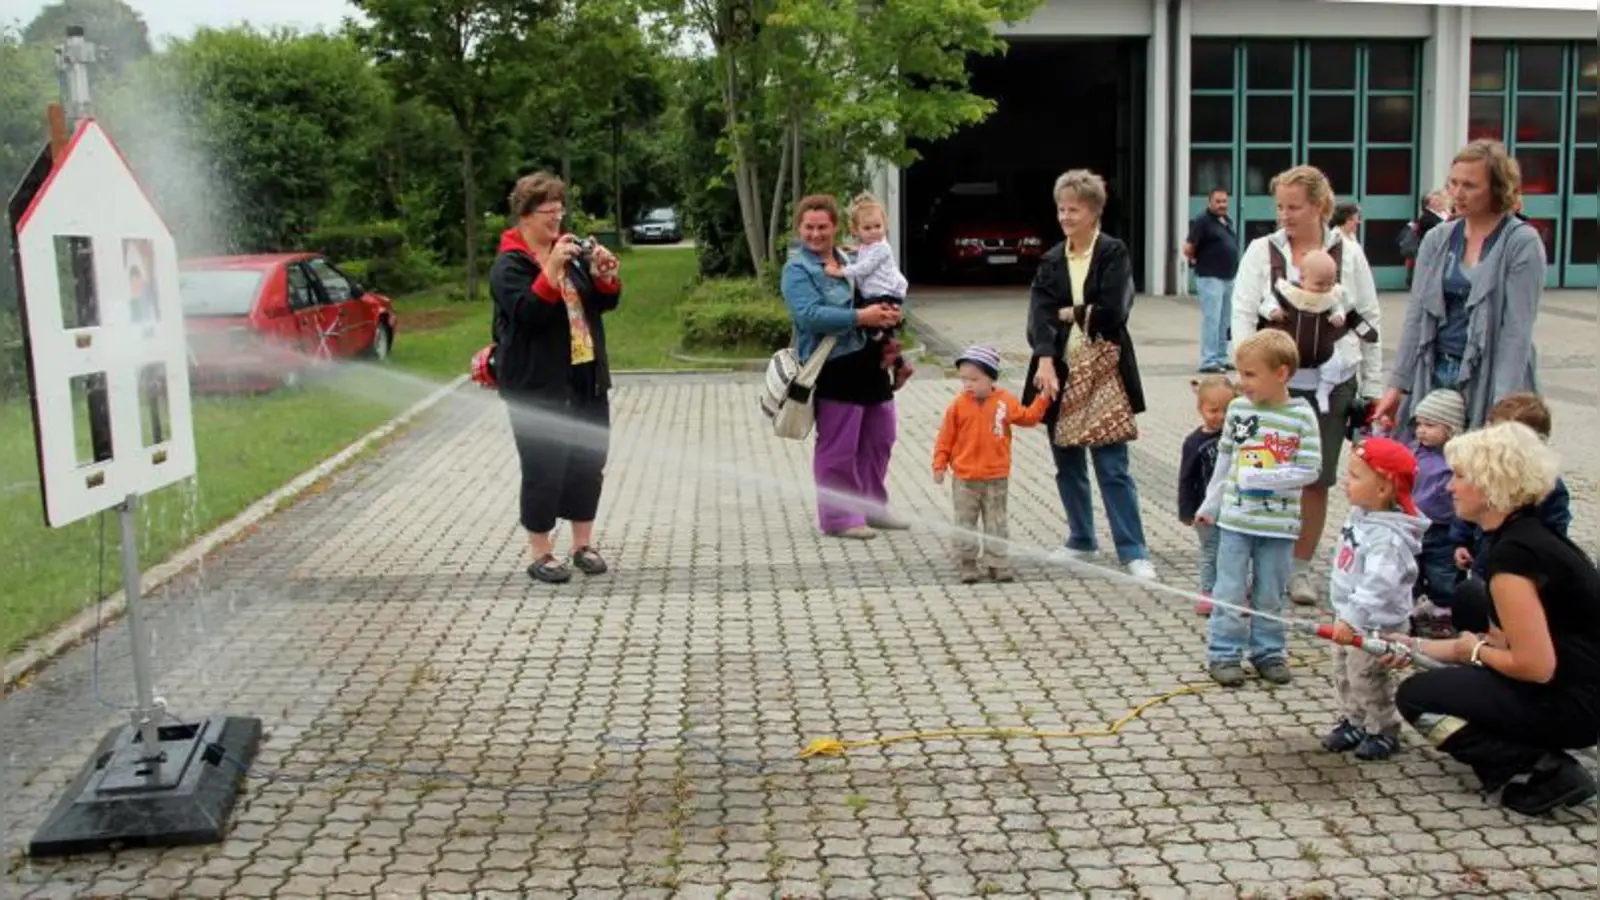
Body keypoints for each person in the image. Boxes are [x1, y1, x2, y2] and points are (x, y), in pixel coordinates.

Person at [1391, 422, 1600, 816]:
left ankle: (1543, 768)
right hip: (1577, 680)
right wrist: (1413, 645)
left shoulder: (1515, 557)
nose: (1450, 486)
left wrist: (1475, 654)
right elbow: (1500, 639)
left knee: (1416, 697)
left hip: (1575, 702)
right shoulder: (1524, 535)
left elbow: (1534, 666)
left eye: (1460, 476)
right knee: (1470, 596)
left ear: (1490, 484)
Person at [1231, 165, 1384, 607]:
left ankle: (1299, 568)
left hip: (1331, 385)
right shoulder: (1262, 251)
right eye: (1279, 206)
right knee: (1262, 473)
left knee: (1315, 479)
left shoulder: (1349, 254)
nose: (1284, 215)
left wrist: (1371, 389)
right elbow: (1242, 314)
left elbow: (1369, 318)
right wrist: (1244, 376)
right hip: (1273, 387)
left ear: (1319, 206)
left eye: (1293, 207)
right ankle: (1256, 568)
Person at [1022, 169, 1156, 580]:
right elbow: (1039, 315)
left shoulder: (1113, 253)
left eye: (1073, 210)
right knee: (1067, 461)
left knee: (1112, 464)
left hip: (1104, 371)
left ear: (1094, 212)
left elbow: (1114, 311)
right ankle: (1081, 539)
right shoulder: (1050, 259)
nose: (1065, 217)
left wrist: (1069, 313)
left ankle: (1133, 550)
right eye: (1061, 209)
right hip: (1058, 372)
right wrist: (1044, 357)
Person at [490, 172, 623, 584]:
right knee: (545, 464)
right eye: (548, 212)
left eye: (560, 211)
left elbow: (603, 303)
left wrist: (604, 275)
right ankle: (541, 551)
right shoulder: (509, 264)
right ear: (525, 216)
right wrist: (549, 269)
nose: (557, 220)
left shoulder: (568, 252)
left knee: (588, 461)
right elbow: (528, 313)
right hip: (536, 385)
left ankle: (583, 544)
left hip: (585, 375)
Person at [1372, 140, 1546, 440]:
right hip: (1436, 369)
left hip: (1490, 372)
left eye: (1470, 185)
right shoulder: (1437, 238)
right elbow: (1416, 317)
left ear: (1496, 188)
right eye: (1453, 183)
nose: (1458, 193)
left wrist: (1502, 405)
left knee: (1481, 469)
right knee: (1426, 468)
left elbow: (1517, 331)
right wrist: (1396, 386)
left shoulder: (1522, 243)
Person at [1196, 330, 1323, 687]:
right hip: (1236, 522)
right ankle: (1224, 653)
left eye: (1250, 375)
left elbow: (1311, 469)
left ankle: (1268, 651)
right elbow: (1225, 458)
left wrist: (1268, 478)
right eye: (1240, 373)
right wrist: (1211, 503)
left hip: (1278, 526)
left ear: (1281, 374)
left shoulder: (1302, 416)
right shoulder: (1237, 410)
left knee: (1270, 593)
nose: (1242, 383)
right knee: (1230, 590)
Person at [781, 194, 905, 540]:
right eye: (809, 227)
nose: (816, 234)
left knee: (881, 437)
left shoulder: (855, 258)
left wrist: (893, 318)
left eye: (823, 227)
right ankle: (839, 518)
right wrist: (860, 317)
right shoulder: (797, 270)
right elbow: (808, 316)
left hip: (871, 362)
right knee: (840, 445)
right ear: (800, 229)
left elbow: (882, 293)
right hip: (834, 365)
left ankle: (872, 508)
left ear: (835, 227)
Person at [1322, 437, 1427, 761]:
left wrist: (1353, 617)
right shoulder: (1361, 514)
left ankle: (1383, 728)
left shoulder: (1389, 538)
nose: (1345, 481)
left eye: (1355, 476)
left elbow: (1377, 585)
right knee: (1343, 672)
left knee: (1367, 677)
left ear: (1383, 489)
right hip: (1347, 617)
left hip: (1374, 624)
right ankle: (1353, 720)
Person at [1448, 393, 1573, 624]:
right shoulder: (1483, 482)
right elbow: (1468, 516)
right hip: (1482, 556)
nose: (1450, 487)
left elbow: (1554, 532)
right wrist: (1461, 542)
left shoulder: (1547, 491)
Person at [932, 345, 1052, 584]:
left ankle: (997, 562)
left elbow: (1027, 418)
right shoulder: (957, 405)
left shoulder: (1004, 401)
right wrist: (939, 464)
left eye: (974, 379)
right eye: (964, 379)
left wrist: (1043, 399)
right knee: (965, 521)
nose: (968, 385)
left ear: (991, 378)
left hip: (996, 476)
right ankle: (967, 562)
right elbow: (946, 437)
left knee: (996, 521)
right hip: (965, 478)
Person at [827, 192, 913, 391]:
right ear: (855, 230)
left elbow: (863, 268)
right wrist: (854, 249)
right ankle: (898, 360)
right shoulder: (868, 246)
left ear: (885, 225)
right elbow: (864, 253)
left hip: (884, 294)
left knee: (867, 325)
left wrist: (839, 272)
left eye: (878, 226)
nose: (874, 232)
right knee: (873, 327)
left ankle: (893, 350)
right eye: (867, 228)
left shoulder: (881, 248)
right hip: (877, 293)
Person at [1407, 388, 1467, 638]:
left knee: (1442, 574)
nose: (1421, 430)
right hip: (1413, 525)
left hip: (1443, 529)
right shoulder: (1414, 451)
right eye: (1419, 424)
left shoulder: (1456, 459)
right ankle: (1408, 611)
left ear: (1451, 429)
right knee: (1410, 571)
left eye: (1430, 425)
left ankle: (1444, 613)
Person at [1179, 374, 1237, 615]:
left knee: (1236, 552)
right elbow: (1186, 478)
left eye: (1227, 410)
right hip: (1205, 512)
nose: (1220, 417)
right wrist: (1186, 510)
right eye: (1214, 410)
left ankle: (1237, 594)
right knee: (1211, 553)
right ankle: (1209, 592)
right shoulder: (1194, 442)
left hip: (1234, 508)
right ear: (1200, 408)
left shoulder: (1236, 437)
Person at [1183, 187, 1239, 374]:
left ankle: (1222, 357)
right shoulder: (1202, 221)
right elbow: (1188, 247)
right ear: (1210, 202)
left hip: (1228, 277)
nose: (1222, 204)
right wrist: (1195, 260)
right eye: (1218, 201)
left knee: (1225, 320)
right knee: (1212, 319)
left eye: (1224, 201)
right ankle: (1209, 360)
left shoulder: (1227, 221)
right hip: (1210, 277)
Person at [1402, 191, 1450, 289]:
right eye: (1437, 200)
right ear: (1429, 203)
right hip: (1434, 253)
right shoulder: (1427, 218)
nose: (1442, 201)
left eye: (1442, 199)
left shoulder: (1444, 213)